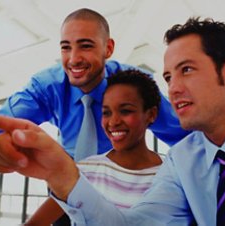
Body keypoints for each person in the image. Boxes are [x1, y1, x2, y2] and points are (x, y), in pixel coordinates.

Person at [0, 17, 225, 225]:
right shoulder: (182, 162)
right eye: (168, 77)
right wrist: (63, 175)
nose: (174, 88)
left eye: (186, 70)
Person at [0, 8, 189, 198]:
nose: (74, 59)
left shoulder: (133, 86)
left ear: (108, 48)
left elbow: (182, 135)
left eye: (86, 46)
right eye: (66, 47)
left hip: (124, 188)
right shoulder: (47, 86)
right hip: (65, 187)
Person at [24, 69, 163, 225]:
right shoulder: (84, 170)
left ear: (151, 114)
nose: (113, 122)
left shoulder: (171, 174)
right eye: (106, 112)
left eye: (125, 111)